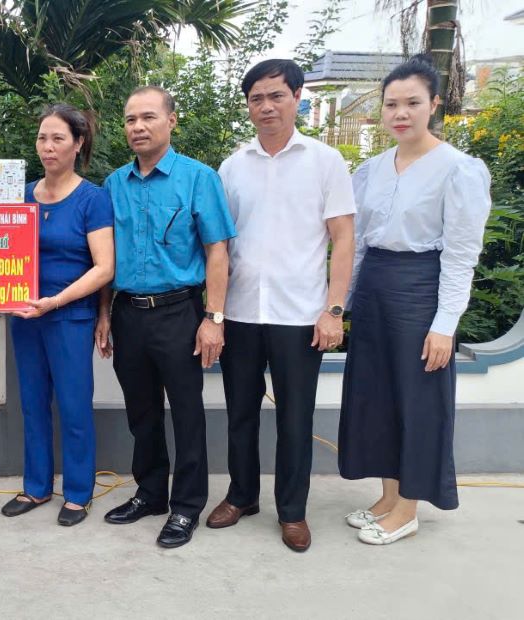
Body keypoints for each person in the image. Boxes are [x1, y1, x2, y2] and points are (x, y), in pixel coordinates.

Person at [339, 54, 491, 545]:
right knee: (378, 396)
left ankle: (408, 508)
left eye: (412, 103)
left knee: (417, 400)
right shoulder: (371, 169)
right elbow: (359, 245)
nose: (400, 113)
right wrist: (343, 303)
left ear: (434, 104)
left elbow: (462, 254)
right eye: (391, 104)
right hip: (375, 288)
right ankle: (388, 496)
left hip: (421, 289)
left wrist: (445, 324)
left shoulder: (459, 170)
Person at [209, 59, 356, 552]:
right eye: (257, 98)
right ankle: (242, 496)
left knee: (295, 419)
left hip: (300, 315)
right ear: (248, 106)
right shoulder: (232, 167)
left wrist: (334, 309)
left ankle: (292, 511)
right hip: (242, 312)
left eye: (276, 96)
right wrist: (215, 313)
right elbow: (219, 244)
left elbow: (343, 238)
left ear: (297, 97)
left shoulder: (325, 161)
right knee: (240, 413)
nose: (267, 106)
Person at [98, 86, 236, 548]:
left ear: (171, 121)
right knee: (141, 412)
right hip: (128, 313)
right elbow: (105, 258)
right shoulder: (114, 184)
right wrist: (104, 313)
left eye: (148, 117)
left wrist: (214, 317)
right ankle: (150, 493)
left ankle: (187, 506)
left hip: (180, 312)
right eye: (130, 119)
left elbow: (218, 251)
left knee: (187, 412)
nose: (138, 127)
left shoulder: (199, 178)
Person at [0, 104, 114, 527]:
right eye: (42, 138)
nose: (48, 147)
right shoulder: (22, 196)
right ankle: (36, 486)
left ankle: (79, 493)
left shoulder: (92, 199)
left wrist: (59, 301)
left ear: (77, 144)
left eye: (58, 139)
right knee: (32, 404)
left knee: (74, 405)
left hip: (70, 317)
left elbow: (104, 267)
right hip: (26, 317)